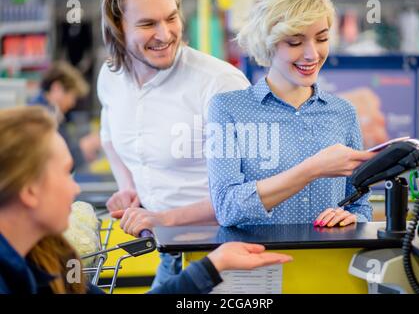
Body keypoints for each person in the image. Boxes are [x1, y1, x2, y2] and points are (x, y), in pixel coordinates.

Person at [0, 106, 292, 294]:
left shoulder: (47, 260)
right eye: (65, 174)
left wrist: (214, 265)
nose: (75, 189)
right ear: (29, 191)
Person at [98, 0, 250, 288]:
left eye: (171, 17)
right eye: (147, 23)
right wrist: (129, 188)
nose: (165, 34)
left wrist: (164, 219)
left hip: (225, 257)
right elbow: (109, 138)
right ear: (118, 26)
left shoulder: (220, 84)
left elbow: (251, 194)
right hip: (169, 255)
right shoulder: (110, 77)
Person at [207, 0, 376, 228]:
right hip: (260, 261)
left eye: (322, 38)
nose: (312, 54)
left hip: (330, 261)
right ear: (268, 43)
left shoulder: (343, 112)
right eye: (295, 42)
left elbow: (361, 204)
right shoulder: (228, 109)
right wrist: (312, 169)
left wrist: (354, 219)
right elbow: (226, 208)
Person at [29, 61, 101, 171]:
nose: (72, 103)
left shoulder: (50, 113)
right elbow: (56, 162)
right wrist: (85, 146)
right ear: (57, 88)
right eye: (72, 96)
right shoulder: (40, 117)